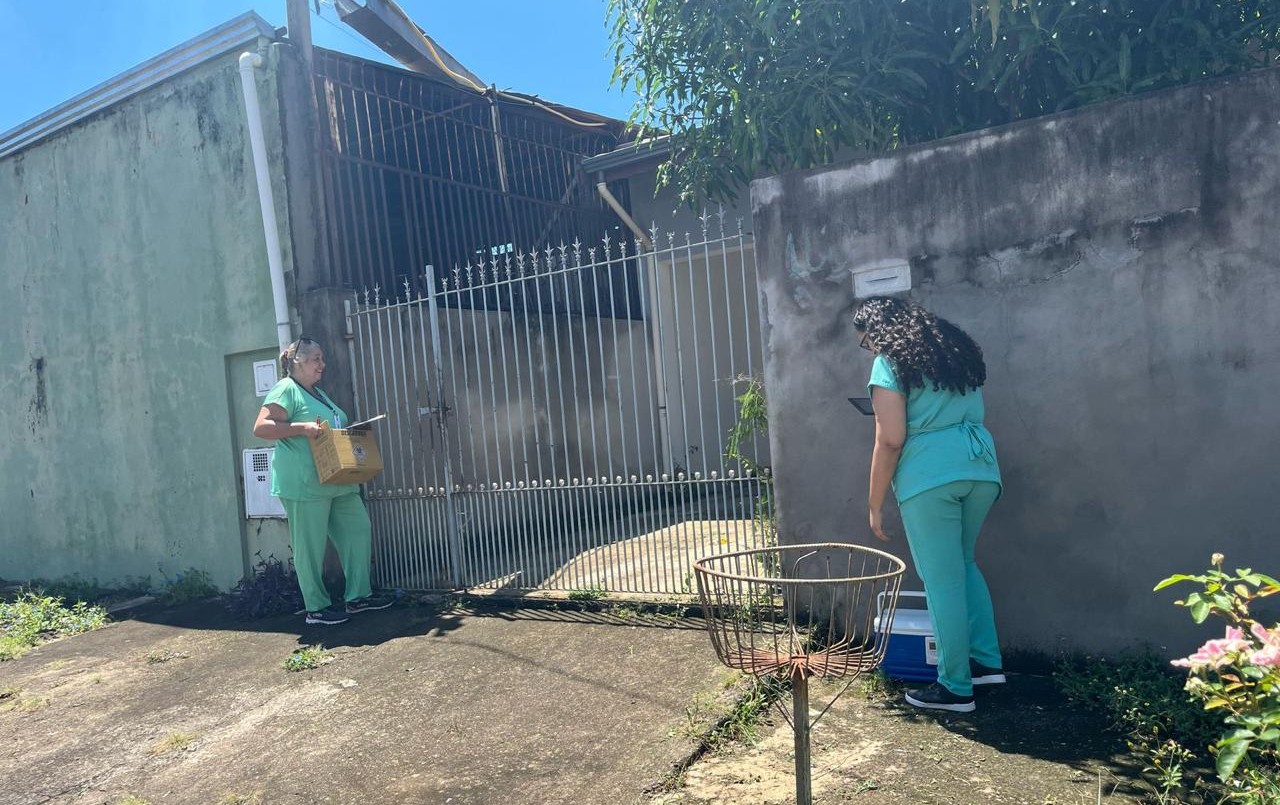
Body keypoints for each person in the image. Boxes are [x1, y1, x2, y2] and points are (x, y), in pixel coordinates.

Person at [853, 297, 1005, 713]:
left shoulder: (890, 362)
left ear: (879, 332)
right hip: (980, 468)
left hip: (931, 474)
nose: (869, 349)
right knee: (964, 565)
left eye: (867, 342)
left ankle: (955, 687)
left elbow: (890, 439)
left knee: (941, 581)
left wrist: (874, 504)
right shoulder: (954, 352)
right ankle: (985, 664)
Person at [253, 337, 393, 625]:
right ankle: (316, 608)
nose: (323, 364)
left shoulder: (318, 392)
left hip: (337, 479)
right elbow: (262, 428)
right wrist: (302, 428)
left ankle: (358, 597)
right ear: (298, 361)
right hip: (305, 483)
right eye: (316, 359)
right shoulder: (286, 389)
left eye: (322, 358)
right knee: (310, 547)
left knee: (358, 530)